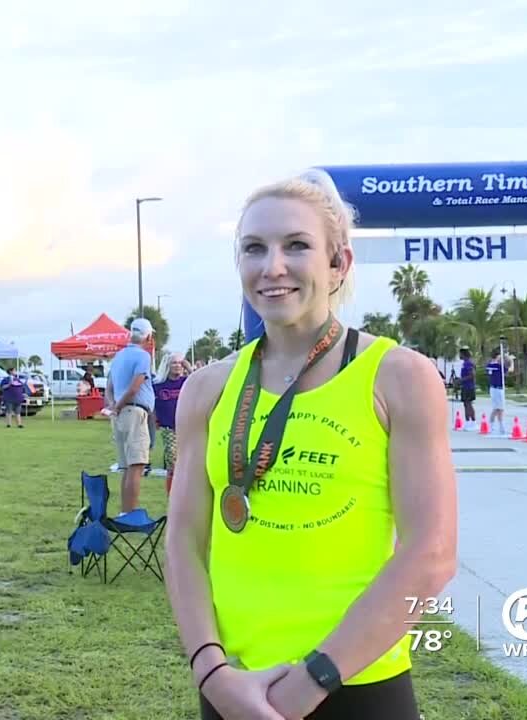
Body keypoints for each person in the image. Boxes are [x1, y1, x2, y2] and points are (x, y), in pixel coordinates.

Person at [164, 170, 457, 719]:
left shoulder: (398, 377)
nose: (272, 267)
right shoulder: (207, 389)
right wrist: (212, 674)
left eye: (296, 245)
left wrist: (311, 682)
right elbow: (183, 541)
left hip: (358, 686)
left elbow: (432, 554)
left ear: (338, 263)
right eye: (254, 248)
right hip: (235, 690)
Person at [105, 318, 155, 514]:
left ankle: (124, 512)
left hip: (120, 416)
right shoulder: (143, 356)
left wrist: (113, 406)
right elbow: (135, 387)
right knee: (136, 466)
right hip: (134, 412)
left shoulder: (118, 356)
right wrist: (118, 406)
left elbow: (109, 388)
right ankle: (130, 514)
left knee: (126, 467)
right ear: (148, 336)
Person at [152, 352, 189, 495]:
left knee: (188, 459)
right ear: (167, 365)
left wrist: (188, 367)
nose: (178, 366)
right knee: (173, 460)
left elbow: (201, 381)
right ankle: (173, 492)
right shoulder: (159, 385)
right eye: (174, 363)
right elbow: (153, 405)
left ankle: (185, 490)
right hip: (169, 427)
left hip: (186, 427)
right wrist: (155, 419)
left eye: (180, 363)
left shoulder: (186, 382)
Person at [485, 347, 508, 436]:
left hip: (494, 388)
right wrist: (511, 361)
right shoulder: (498, 366)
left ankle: (494, 426)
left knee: (497, 408)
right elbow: (509, 370)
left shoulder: (491, 366)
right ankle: (500, 427)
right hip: (498, 389)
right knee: (500, 408)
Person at [458, 348, 476, 429]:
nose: (459, 355)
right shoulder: (464, 363)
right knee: (466, 404)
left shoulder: (469, 363)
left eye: (460, 354)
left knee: (468, 404)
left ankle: (473, 422)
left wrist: (461, 380)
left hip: (469, 387)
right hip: (465, 386)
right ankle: (468, 422)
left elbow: (472, 375)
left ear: (464, 354)